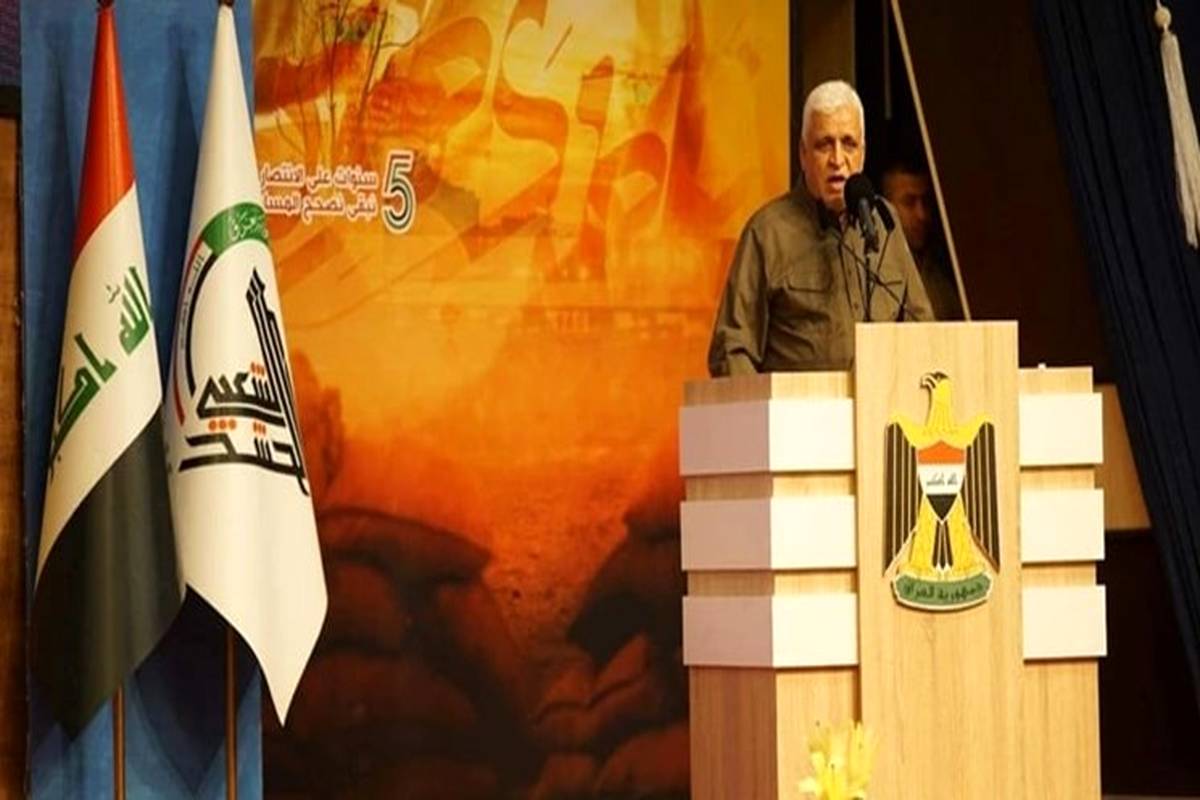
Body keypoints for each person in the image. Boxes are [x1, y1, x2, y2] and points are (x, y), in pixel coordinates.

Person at [707, 80, 934, 376]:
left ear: (863, 153)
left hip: (881, 403)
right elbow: (731, 349)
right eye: (824, 145)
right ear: (803, 154)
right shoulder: (768, 232)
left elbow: (923, 330)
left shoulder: (883, 220)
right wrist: (764, 405)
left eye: (849, 144)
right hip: (797, 405)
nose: (837, 160)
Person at [880, 157, 964, 320]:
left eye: (925, 202)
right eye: (909, 202)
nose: (922, 214)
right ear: (887, 208)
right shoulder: (872, 273)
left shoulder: (942, 277)